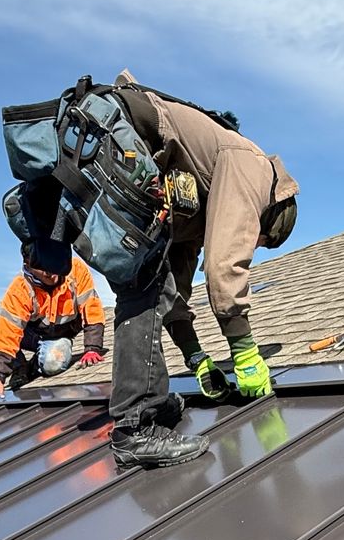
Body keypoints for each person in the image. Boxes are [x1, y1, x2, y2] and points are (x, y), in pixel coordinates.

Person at [102, 70, 299, 468]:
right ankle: (134, 427)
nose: (252, 243)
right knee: (142, 283)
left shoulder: (196, 199)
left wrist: (196, 358)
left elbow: (172, 288)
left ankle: (145, 411)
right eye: (259, 239)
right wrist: (244, 353)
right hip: (119, 133)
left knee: (146, 282)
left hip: (106, 144)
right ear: (269, 216)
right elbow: (224, 266)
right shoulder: (252, 166)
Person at [0, 238, 106, 409]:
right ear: (27, 263)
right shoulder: (21, 287)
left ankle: (34, 365)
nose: (49, 271)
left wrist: (92, 348)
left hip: (60, 337)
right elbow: (8, 332)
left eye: (50, 261)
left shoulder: (74, 270)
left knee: (53, 362)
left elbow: (91, 307)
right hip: (32, 336)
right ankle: (19, 367)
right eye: (40, 266)